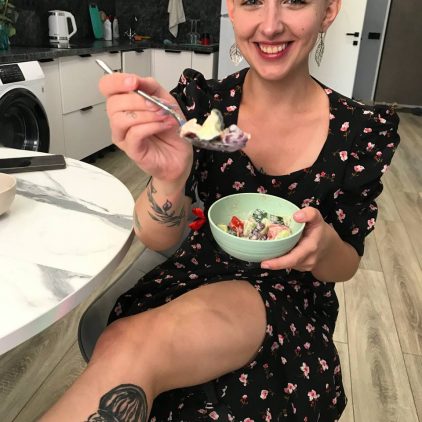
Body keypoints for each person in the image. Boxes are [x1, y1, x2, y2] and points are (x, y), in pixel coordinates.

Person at [41, 0, 400, 421]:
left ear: (329, 9)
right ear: (232, 7)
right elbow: (157, 238)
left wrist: (322, 249)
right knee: (123, 346)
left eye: (294, 1)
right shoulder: (205, 109)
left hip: (291, 302)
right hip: (194, 277)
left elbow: (347, 264)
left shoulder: (358, 130)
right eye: (251, 2)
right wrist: (171, 178)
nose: (270, 26)